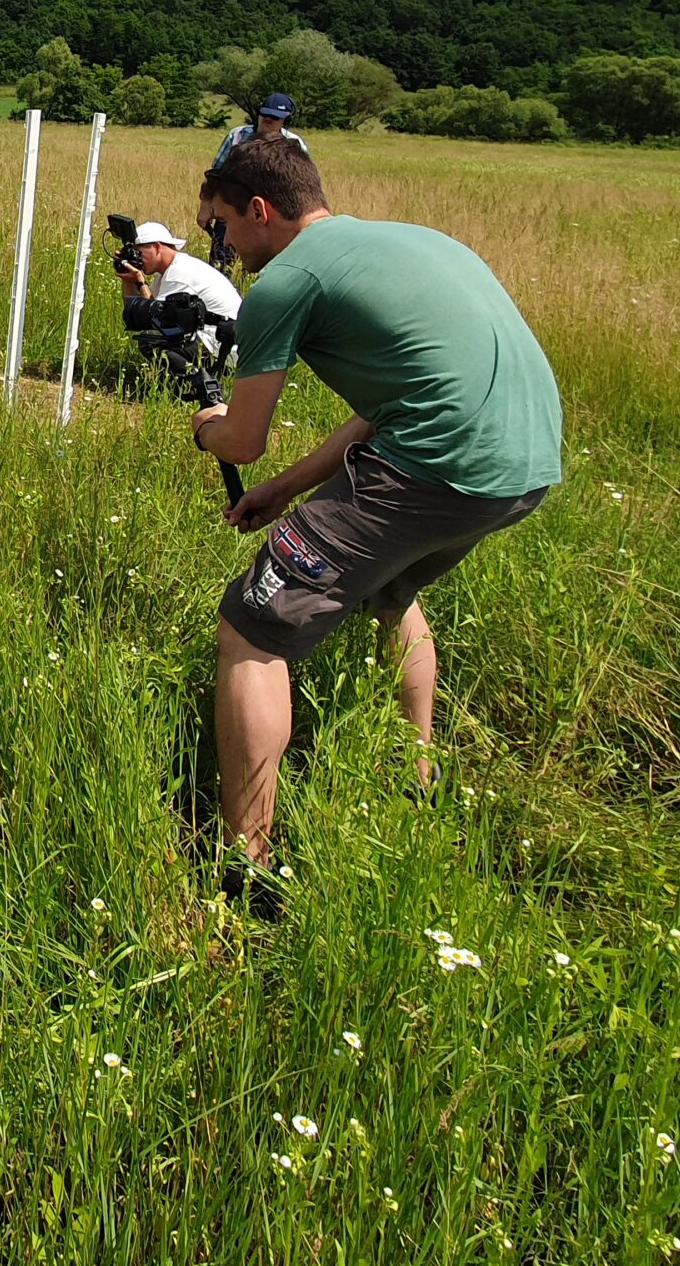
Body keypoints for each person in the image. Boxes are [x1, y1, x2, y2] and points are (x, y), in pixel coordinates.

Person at [189, 138, 562, 911]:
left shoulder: (285, 281)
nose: (224, 244)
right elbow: (386, 404)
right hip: (523, 464)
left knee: (252, 630)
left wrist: (208, 425)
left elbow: (242, 438)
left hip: (437, 465)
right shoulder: (414, 240)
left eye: (224, 225)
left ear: (260, 210)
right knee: (387, 587)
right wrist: (288, 489)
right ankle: (416, 776)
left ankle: (245, 867)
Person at [115, 219, 243, 367]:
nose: (136, 258)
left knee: (151, 339)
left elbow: (155, 321)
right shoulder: (168, 271)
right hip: (217, 340)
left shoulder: (179, 274)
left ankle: (196, 381)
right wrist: (128, 278)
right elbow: (136, 310)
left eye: (138, 253)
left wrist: (141, 282)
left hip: (224, 347)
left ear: (157, 247)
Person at [214, 91, 310, 169]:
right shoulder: (237, 135)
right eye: (264, 114)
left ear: (286, 121)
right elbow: (217, 168)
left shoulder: (295, 143)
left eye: (274, 117)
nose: (267, 119)